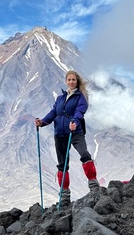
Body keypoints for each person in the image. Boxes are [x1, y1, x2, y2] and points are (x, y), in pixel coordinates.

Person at [35, 70, 100, 206]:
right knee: (62, 164)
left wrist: (74, 123)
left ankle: (94, 186)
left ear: (77, 82)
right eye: (69, 80)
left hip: (75, 132)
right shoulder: (60, 98)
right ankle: (64, 195)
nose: (71, 82)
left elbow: (80, 111)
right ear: (66, 81)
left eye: (73, 80)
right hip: (60, 133)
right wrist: (42, 122)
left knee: (85, 154)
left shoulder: (80, 97)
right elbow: (53, 113)